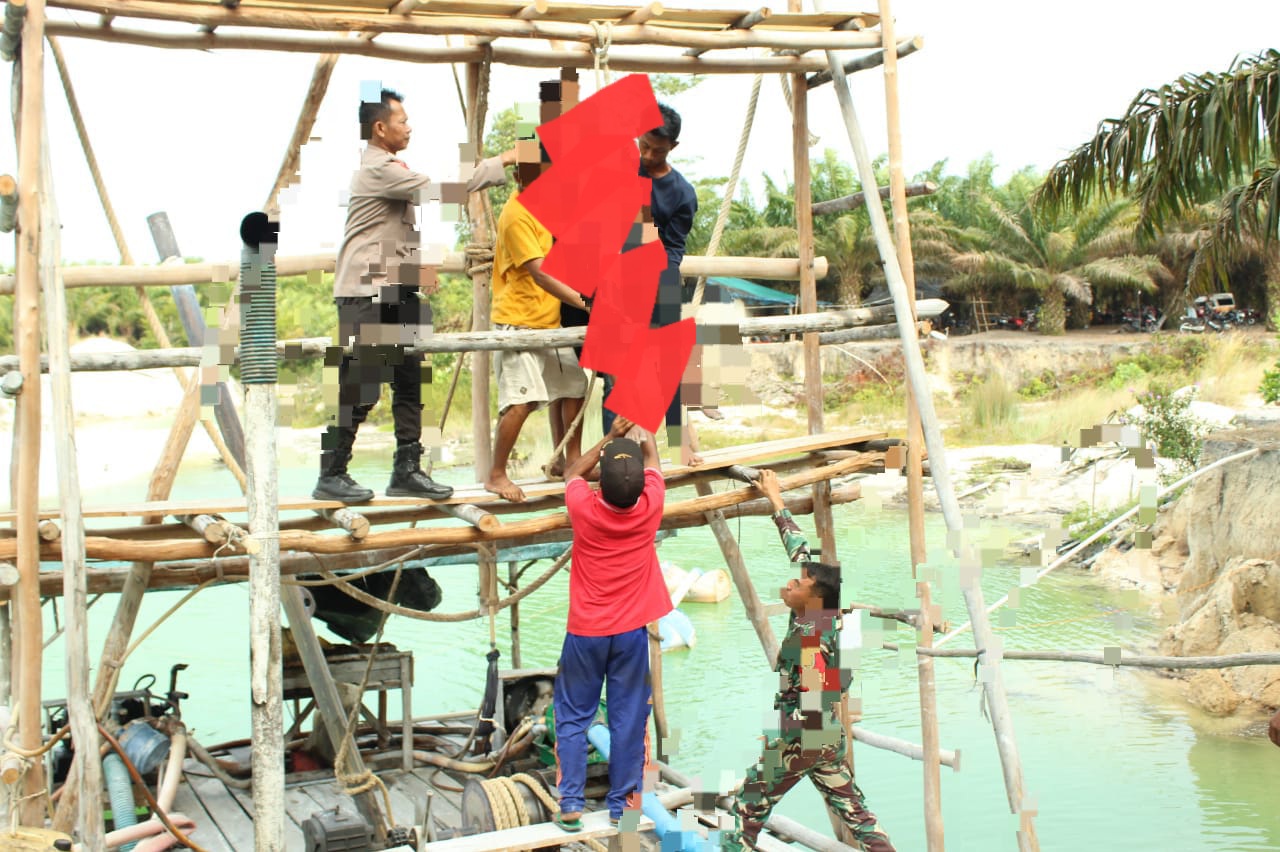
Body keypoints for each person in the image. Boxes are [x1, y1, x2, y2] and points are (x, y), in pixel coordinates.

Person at [313, 87, 511, 503]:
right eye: (402, 121)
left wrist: (418, 265)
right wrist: (502, 161)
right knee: (361, 384)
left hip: (395, 286)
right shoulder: (378, 170)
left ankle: (407, 469)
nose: (409, 127)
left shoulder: (390, 168)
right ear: (380, 128)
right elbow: (439, 190)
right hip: (366, 292)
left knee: (409, 380)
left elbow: (389, 232)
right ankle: (331, 473)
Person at [720, 470, 895, 852]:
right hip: (830, 736)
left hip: (804, 734)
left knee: (747, 808)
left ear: (811, 599)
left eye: (795, 586)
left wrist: (783, 738)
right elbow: (801, 552)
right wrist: (776, 500)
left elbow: (813, 694)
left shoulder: (810, 638)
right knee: (856, 813)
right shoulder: (823, 614)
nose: (787, 585)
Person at [552, 416, 671, 832]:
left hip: (586, 632)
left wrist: (610, 436)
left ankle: (570, 804)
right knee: (628, 718)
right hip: (630, 634)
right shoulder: (650, 506)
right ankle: (622, 804)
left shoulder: (583, 507)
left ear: (601, 486)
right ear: (640, 486)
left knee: (572, 716)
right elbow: (654, 457)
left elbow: (571, 473)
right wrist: (645, 428)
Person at [485, 81, 591, 503]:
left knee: (575, 387)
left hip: (548, 320)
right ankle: (496, 473)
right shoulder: (516, 214)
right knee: (522, 402)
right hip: (519, 322)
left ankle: (570, 460)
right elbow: (541, 273)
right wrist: (586, 303)